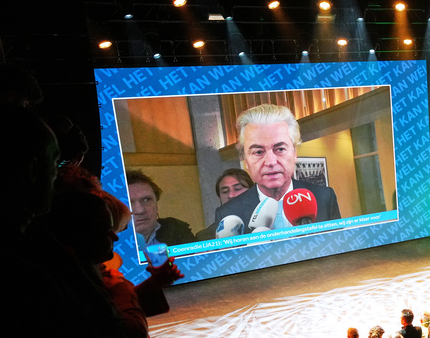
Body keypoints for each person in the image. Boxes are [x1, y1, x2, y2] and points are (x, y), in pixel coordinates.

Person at [214, 104, 341, 234]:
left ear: (294, 153)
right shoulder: (228, 214)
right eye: (258, 152)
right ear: (246, 160)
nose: (271, 162)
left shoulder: (324, 197)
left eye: (280, 149)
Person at [126, 169, 195, 251]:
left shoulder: (175, 229)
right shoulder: (113, 244)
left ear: (157, 202)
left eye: (146, 200)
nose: (140, 210)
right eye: (129, 203)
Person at [195, 168, 254, 239]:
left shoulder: (265, 223)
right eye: (225, 191)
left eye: (237, 189)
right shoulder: (205, 236)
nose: (231, 195)